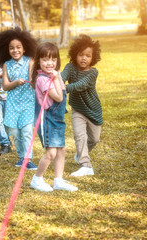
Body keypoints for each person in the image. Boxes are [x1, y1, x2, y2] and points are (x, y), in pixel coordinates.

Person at [29, 42, 78, 192]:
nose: (50, 63)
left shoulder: (52, 75)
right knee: (51, 153)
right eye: (45, 59)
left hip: (57, 119)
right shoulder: (43, 79)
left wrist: (57, 78)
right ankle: (37, 179)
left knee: (61, 149)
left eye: (53, 59)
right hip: (47, 119)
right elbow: (58, 97)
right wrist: (56, 78)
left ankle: (58, 180)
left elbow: (63, 90)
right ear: (39, 61)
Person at [0, 28, 38, 170]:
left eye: (18, 47)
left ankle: (28, 158)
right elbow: (5, 86)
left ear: (24, 49)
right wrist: (16, 82)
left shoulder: (30, 61)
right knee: (15, 133)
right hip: (12, 104)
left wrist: (33, 81)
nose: (15, 50)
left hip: (27, 103)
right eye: (12, 48)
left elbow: (33, 82)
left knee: (26, 132)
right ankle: (21, 157)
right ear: (7, 50)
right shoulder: (7, 64)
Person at [61, 34, 103, 177]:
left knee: (94, 139)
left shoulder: (93, 73)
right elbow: (62, 77)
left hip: (93, 110)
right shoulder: (70, 67)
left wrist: (66, 88)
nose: (84, 58)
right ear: (75, 54)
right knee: (80, 136)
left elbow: (82, 85)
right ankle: (85, 165)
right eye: (81, 55)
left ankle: (80, 154)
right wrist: (56, 81)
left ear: (93, 58)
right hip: (77, 110)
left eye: (88, 56)